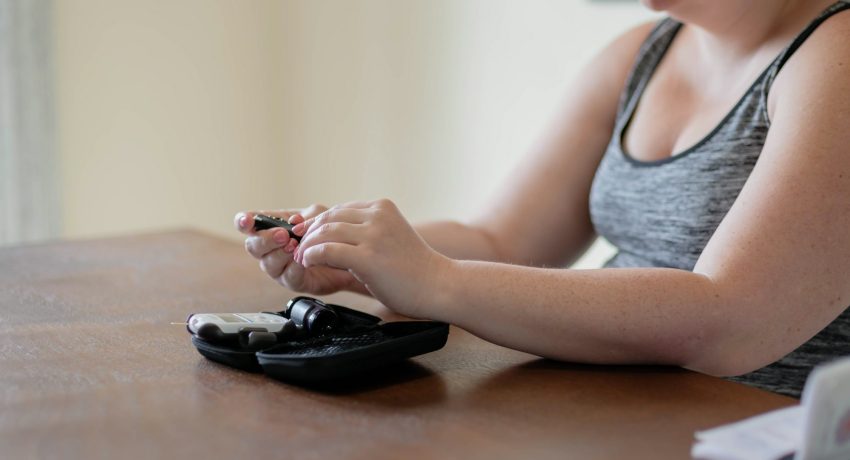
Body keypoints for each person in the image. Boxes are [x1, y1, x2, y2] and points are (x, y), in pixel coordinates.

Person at [235, 0, 850, 398]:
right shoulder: (644, 53)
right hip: (615, 411)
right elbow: (504, 240)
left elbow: (730, 321)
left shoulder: (837, 54)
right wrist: (354, 255)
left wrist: (436, 280)